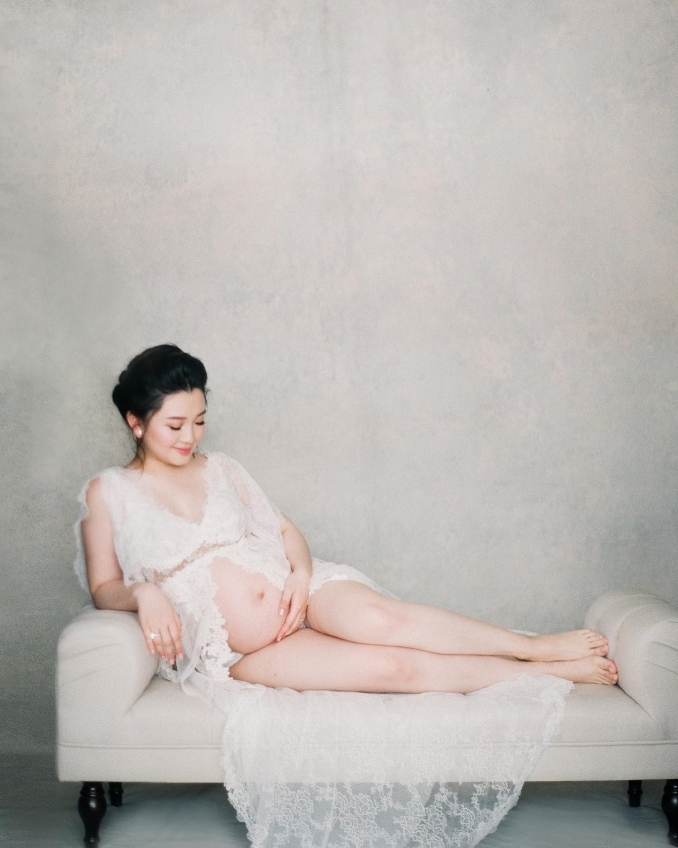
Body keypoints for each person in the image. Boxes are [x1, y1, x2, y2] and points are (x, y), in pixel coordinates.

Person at [73, 343, 618, 848]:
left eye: (199, 421)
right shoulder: (109, 493)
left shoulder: (221, 469)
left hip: (299, 591)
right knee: (393, 669)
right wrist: (144, 593)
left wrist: (301, 574)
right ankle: (548, 672)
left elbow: (284, 530)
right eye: (175, 425)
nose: (190, 436)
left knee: (384, 620)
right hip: (238, 650)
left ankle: (534, 647)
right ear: (136, 422)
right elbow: (103, 588)